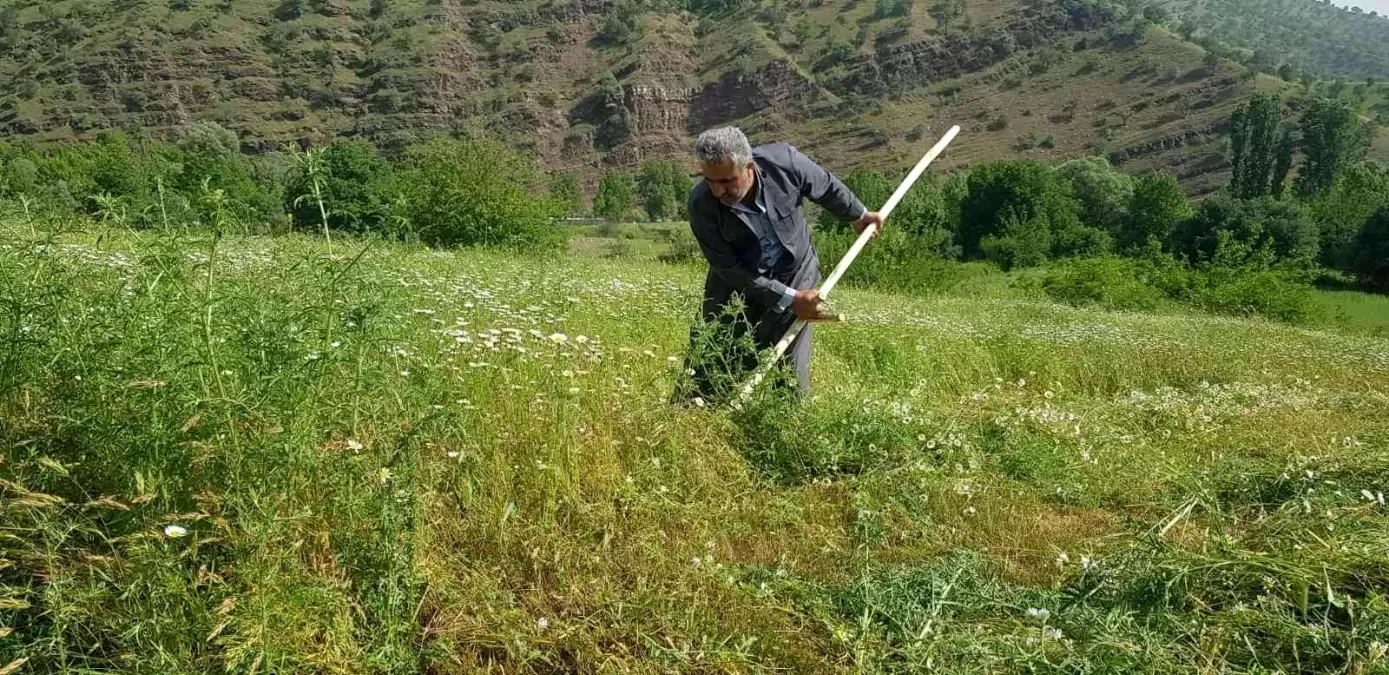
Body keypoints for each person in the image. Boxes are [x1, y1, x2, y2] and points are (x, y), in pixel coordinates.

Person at [676, 126, 884, 402]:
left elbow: (827, 187)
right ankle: (691, 416)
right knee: (712, 353)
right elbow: (728, 268)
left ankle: (789, 424)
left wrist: (857, 215)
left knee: (789, 365)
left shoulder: (784, 163)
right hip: (738, 281)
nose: (718, 191)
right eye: (710, 181)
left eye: (727, 181)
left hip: (796, 271)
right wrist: (788, 298)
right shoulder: (701, 204)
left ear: (749, 167)